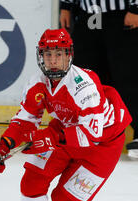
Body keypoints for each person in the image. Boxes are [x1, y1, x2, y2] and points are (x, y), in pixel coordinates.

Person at [0, 29, 131, 201]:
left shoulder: (83, 85)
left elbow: (93, 133)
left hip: (102, 145)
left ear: (69, 55)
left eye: (58, 55)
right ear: (40, 56)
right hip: (64, 132)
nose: (53, 61)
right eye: (48, 55)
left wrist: (51, 137)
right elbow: (25, 120)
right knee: (32, 179)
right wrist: (4, 146)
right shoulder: (37, 83)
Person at [59, 0, 138, 159]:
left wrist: (136, 8)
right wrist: (66, 6)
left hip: (122, 14)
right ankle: (92, 132)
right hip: (90, 14)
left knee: (128, 74)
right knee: (86, 76)